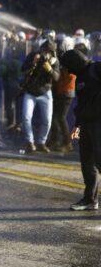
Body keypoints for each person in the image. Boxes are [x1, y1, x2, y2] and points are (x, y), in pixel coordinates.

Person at [61, 49, 101, 211]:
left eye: (69, 66)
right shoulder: (80, 78)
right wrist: (77, 125)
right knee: (87, 162)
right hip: (87, 124)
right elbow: (82, 104)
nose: (68, 70)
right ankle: (90, 199)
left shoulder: (96, 68)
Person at [21, 39, 60, 152]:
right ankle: (30, 142)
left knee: (47, 120)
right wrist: (33, 63)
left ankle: (41, 142)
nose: (45, 54)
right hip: (30, 92)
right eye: (44, 51)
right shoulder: (33, 56)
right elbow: (22, 70)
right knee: (26, 117)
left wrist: (50, 70)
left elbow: (57, 77)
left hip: (45, 93)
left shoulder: (54, 61)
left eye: (48, 51)